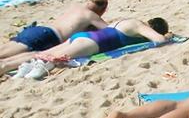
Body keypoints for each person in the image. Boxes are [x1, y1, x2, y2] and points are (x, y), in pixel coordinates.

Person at [13, 17, 172, 79]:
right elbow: (159, 40)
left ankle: (11, 65)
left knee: (40, 54)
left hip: (85, 36)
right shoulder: (139, 25)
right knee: (51, 60)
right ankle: (26, 69)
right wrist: (168, 36)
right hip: (94, 44)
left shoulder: (127, 20)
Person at [0, 0, 109, 75]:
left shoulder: (75, 7)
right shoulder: (91, 16)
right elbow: (111, 31)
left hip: (38, 30)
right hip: (49, 37)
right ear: (102, 9)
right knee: (33, 55)